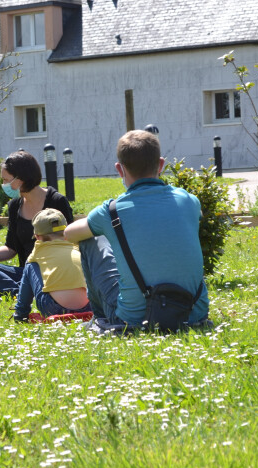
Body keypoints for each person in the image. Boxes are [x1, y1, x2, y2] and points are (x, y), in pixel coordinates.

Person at [64, 130, 210, 329]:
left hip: (134, 318)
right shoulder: (189, 201)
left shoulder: (111, 211)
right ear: (160, 164)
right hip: (193, 314)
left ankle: (100, 320)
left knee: (91, 239)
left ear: (119, 169)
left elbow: (69, 233)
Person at [0, 151, 73, 296]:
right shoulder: (14, 205)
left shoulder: (57, 201)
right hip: (26, 272)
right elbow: (11, 248)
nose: (3, 185)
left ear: (20, 179)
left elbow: (71, 241)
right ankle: (21, 292)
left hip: (53, 271)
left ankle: (14, 291)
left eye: (5, 180)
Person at [12, 208, 91, 321]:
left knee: (30, 265)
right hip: (89, 307)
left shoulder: (38, 251)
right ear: (66, 230)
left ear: (37, 237)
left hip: (54, 309)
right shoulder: (77, 246)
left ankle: (20, 313)